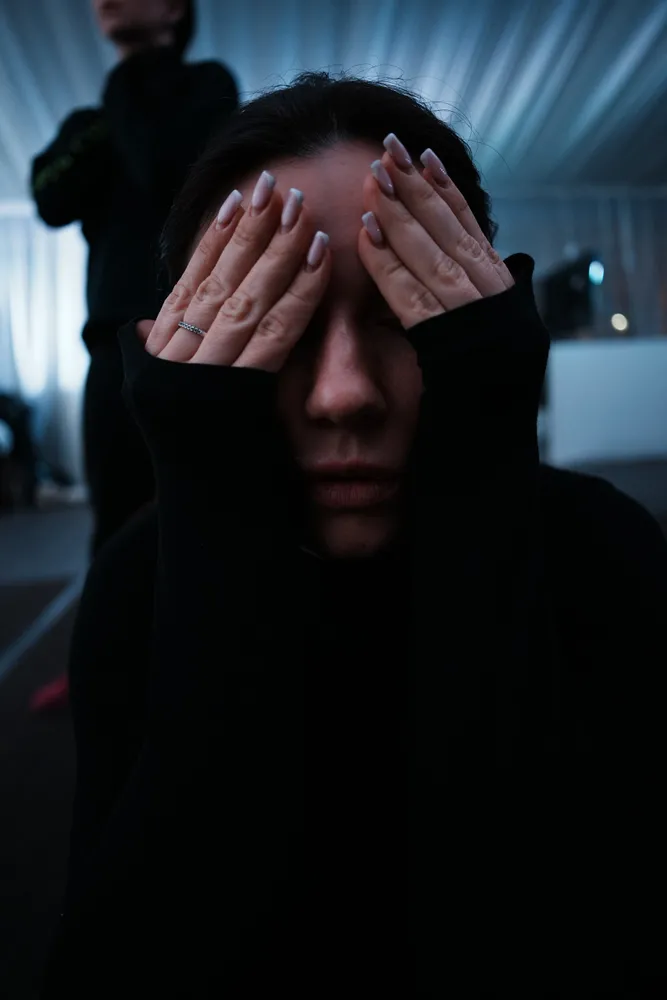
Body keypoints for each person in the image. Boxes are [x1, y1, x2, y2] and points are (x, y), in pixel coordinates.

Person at [41, 73, 667, 997]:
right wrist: (211, 531)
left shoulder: (600, 550)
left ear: (482, 317)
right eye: (282, 327)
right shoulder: (140, 581)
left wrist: (482, 475)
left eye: (401, 319)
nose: (344, 396)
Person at [29, 0, 238, 712]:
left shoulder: (209, 88)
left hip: (204, 336)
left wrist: (132, 78)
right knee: (113, 517)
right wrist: (115, 101)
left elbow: (165, 167)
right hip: (113, 348)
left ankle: (214, 665)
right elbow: (49, 197)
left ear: (175, 8)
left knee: (207, 504)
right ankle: (104, 667)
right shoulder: (92, 124)